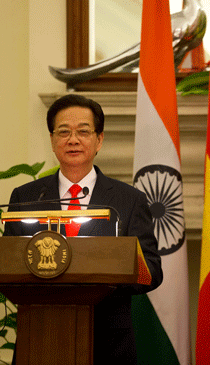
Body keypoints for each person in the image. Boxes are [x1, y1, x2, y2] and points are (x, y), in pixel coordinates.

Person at [3, 94, 163, 364]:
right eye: (63, 132)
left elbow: (152, 273)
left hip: (108, 342)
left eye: (83, 132)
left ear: (99, 140)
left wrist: (109, 272)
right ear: (52, 141)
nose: (73, 140)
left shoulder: (129, 200)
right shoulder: (26, 197)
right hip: (41, 336)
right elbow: (7, 265)